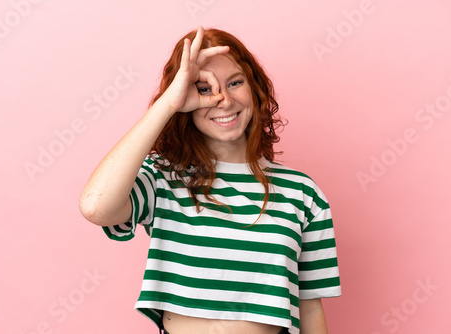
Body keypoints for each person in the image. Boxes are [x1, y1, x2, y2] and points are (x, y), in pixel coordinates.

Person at [79, 26, 341, 334]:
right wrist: (168, 104)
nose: (224, 100)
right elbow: (96, 207)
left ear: (255, 88)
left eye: (235, 83)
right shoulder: (163, 177)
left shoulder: (302, 192)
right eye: (203, 88)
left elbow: (309, 306)